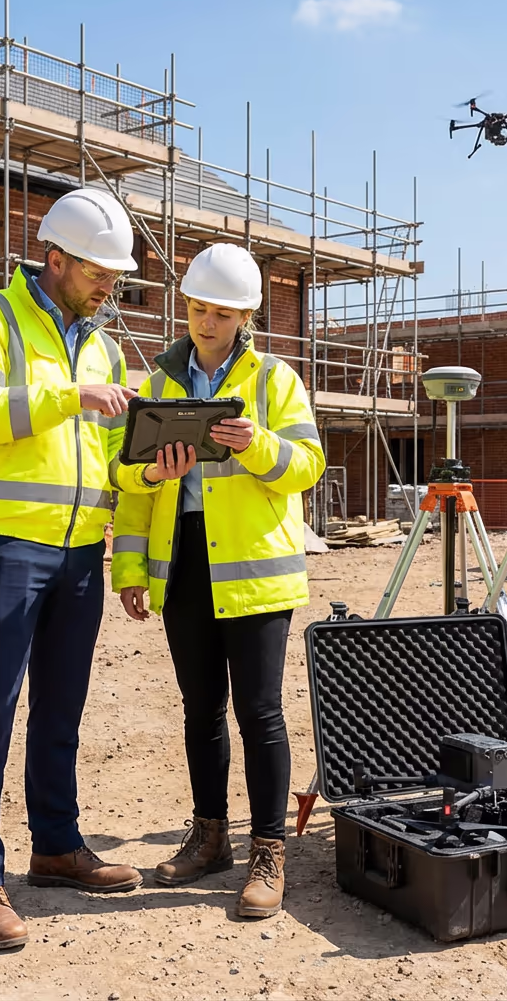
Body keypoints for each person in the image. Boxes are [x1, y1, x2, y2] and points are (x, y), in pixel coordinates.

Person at [0, 188, 144, 950]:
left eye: (114, 276)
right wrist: (69, 395)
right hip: (8, 546)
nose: (108, 286)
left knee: (62, 708)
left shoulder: (104, 344)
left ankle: (56, 846)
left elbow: (103, 457)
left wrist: (148, 468)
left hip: (81, 551)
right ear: (53, 258)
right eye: (97, 270)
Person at [111, 242, 325, 919]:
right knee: (199, 710)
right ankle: (209, 838)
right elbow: (128, 479)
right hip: (185, 568)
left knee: (259, 712)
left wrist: (256, 443)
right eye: (198, 308)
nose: (206, 322)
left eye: (221, 312)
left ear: (244, 315)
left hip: (255, 570)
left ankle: (267, 852)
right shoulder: (159, 384)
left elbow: (308, 465)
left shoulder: (274, 381)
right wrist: (132, 561)